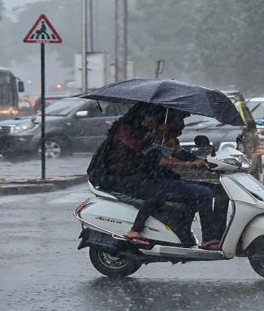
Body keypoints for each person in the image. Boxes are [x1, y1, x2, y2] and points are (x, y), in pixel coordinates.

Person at [87, 103, 226, 250]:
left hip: (146, 177)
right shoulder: (130, 134)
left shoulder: (150, 134)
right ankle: (136, 230)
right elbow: (157, 159)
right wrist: (188, 164)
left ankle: (186, 233)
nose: (153, 122)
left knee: (213, 191)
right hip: (120, 178)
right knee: (187, 194)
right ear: (143, 117)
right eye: (152, 118)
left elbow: (175, 151)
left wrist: (200, 160)